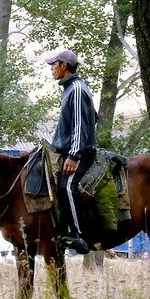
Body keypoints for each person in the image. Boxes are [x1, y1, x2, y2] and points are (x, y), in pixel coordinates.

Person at [44, 49, 98, 255]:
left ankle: (79, 236)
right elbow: (93, 117)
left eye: (53, 64)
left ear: (64, 66)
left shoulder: (75, 89)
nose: (51, 68)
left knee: (68, 186)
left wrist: (74, 155)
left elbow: (80, 124)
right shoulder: (72, 88)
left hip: (77, 154)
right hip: (70, 150)